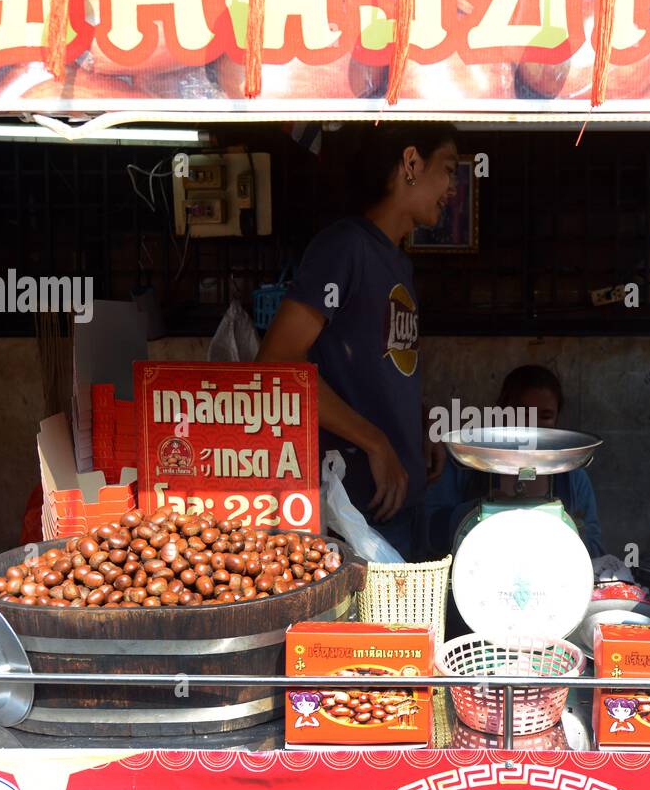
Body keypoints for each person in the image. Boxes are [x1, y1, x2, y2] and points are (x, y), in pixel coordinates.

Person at [256, 125, 459, 559]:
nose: (453, 188)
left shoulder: (397, 261)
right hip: (355, 506)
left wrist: (418, 422)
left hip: (399, 497)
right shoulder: (345, 246)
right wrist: (376, 442)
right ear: (411, 163)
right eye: (448, 170)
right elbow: (277, 364)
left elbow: (378, 370)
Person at [425, 365, 603, 558]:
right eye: (523, 413)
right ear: (502, 412)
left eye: (545, 415)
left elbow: (595, 549)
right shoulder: (465, 466)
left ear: (557, 420)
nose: (533, 424)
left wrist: (563, 530)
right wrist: (477, 510)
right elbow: (428, 534)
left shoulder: (573, 479)